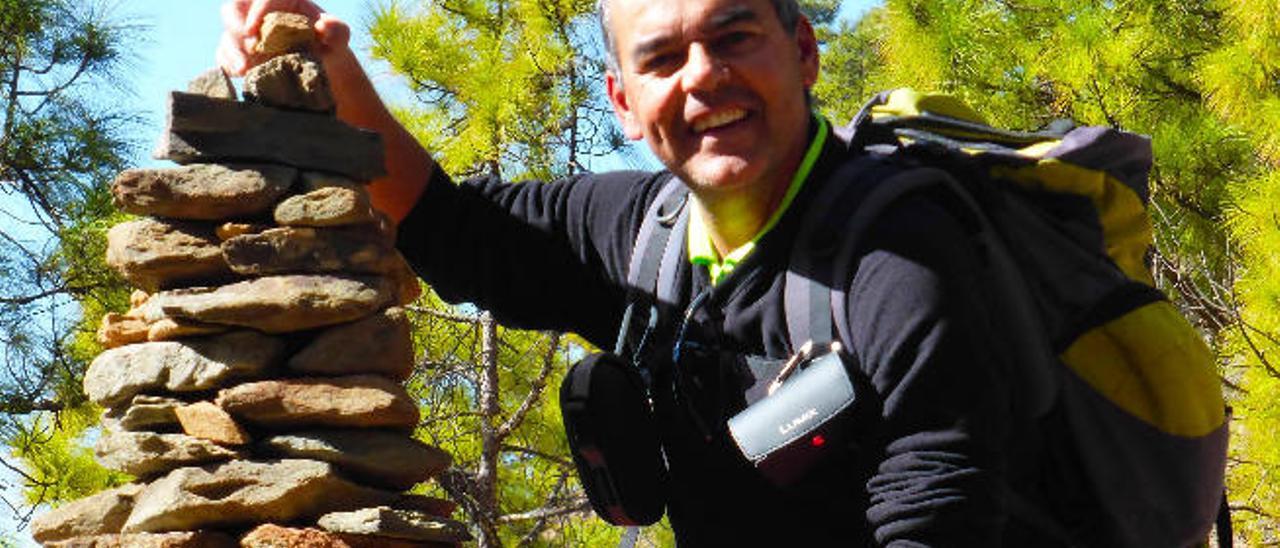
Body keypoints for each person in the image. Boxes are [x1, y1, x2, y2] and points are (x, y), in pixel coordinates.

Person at [219, 0, 1025, 544]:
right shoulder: (644, 233)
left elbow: (939, 504)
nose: (703, 75)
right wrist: (317, 63)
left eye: (734, 37)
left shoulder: (902, 245)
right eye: (664, 57)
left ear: (806, 52)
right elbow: (446, 224)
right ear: (622, 102)